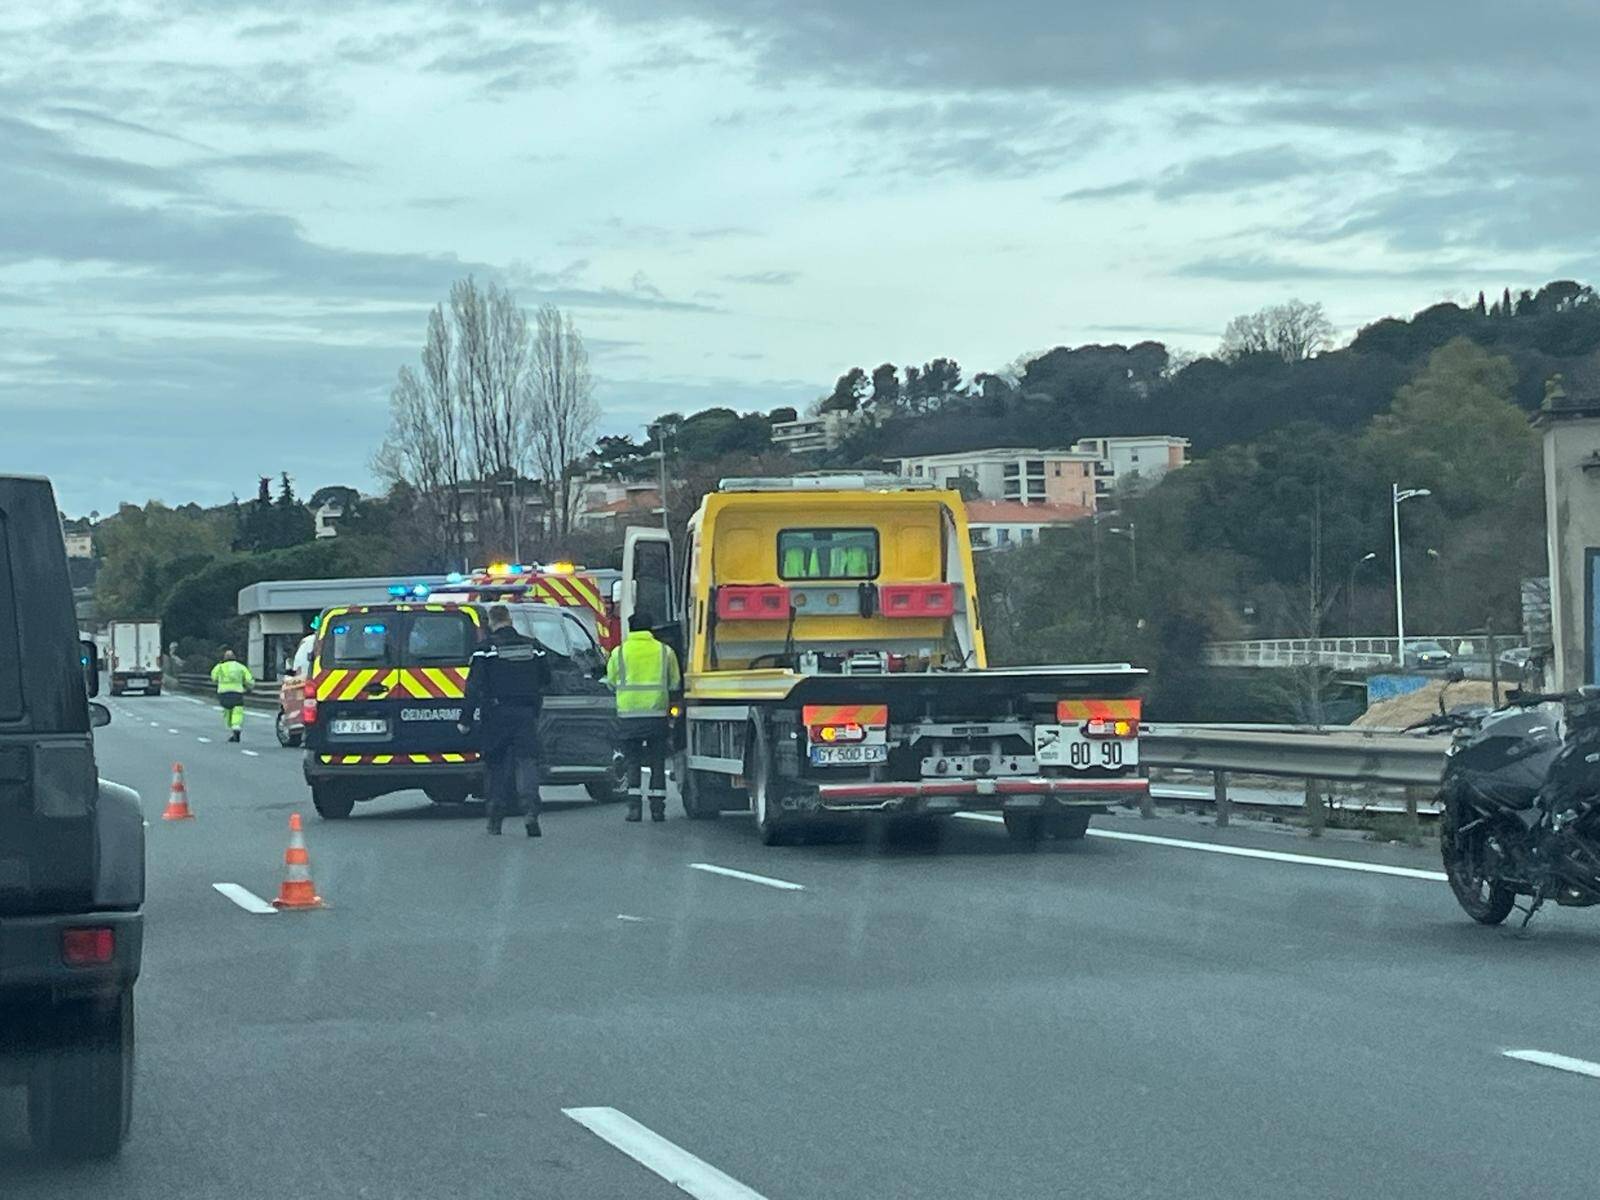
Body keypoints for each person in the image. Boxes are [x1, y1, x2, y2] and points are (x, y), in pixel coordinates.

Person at [458, 604, 550, 837]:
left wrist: (465, 719)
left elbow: (473, 687)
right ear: (510, 620)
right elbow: (546, 678)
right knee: (527, 762)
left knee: (496, 765)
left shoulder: (485, 650)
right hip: (526, 713)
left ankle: (495, 818)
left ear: (491, 622)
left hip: (496, 714)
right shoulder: (534, 647)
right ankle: (530, 813)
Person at [605, 612, 683, 822]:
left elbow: (611, 682)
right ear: (651, 629)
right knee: (657, 761)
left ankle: (634, 809)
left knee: (633, 761)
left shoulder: (619, 652)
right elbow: (675, 683)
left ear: (630, 629)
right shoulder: (664, 652)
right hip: (656, 714)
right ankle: (657, 810)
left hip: (629, 715)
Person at [209, 649, 254, 742]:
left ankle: (232, 728)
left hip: (223, 693)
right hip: (237, 692)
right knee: (237, 711)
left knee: (227, 711)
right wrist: (249, 688)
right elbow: (249, 680)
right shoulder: (240, 667)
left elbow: (213, 677)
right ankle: (236, 727)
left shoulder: (220, 667)